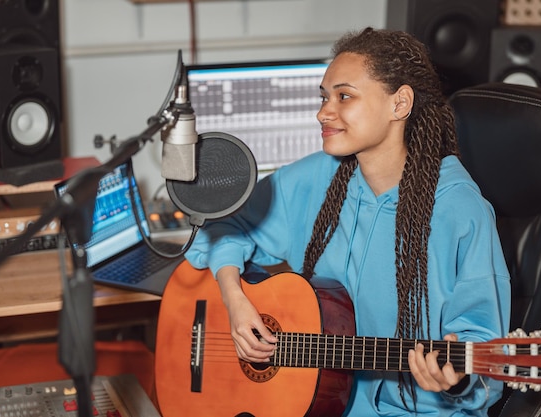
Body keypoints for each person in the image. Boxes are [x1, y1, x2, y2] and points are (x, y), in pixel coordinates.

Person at [185, 27, 511, 416]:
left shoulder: (459, 209)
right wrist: (234, 296)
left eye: (344, 96)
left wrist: (456, 380)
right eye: (324, 97)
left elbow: (485, 354)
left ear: (400, 104)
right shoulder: (318, 178)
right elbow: (220, 226)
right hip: (319, 402)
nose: (323, 112)